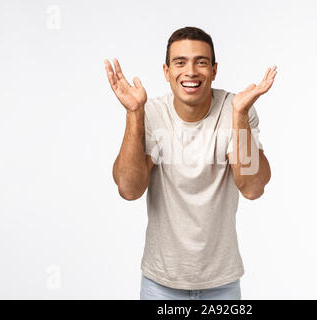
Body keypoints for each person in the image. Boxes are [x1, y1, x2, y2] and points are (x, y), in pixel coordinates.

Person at [104, 26, 277, 300]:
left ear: (214, 70)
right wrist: (134, 112)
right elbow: (129, 189)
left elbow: (253, 187)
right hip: (160, 284)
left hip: (221, 283)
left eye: (201, 62)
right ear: (166, 71)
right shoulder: (151, 113)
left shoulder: (235, 109)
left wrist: (241, 115)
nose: (191, 71)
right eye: (180, 62)